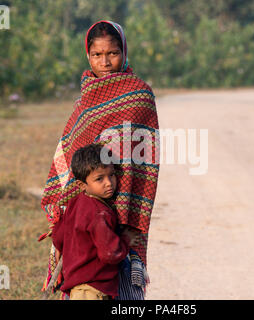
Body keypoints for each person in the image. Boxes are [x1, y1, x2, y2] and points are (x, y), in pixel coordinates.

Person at [39, 20, 160, 300]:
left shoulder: (139, 95)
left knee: (120, 269)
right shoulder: (84, 100)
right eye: (97, 55)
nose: (105, 62)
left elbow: (140, 155)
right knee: (83, 267)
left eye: (113, 53)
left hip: (124, 200)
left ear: (124, 52)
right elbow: (70, 148)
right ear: (88, 55)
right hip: (84, 204)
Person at [51, 144, 139, 300]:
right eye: (99, 178)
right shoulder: (99, 213)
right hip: (93, 290)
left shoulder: (74, 203)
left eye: (111, 175)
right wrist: (126, 239)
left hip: (76, 288)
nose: (109, 183)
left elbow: (58, 238)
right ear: (82, 184)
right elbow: (110, 253)